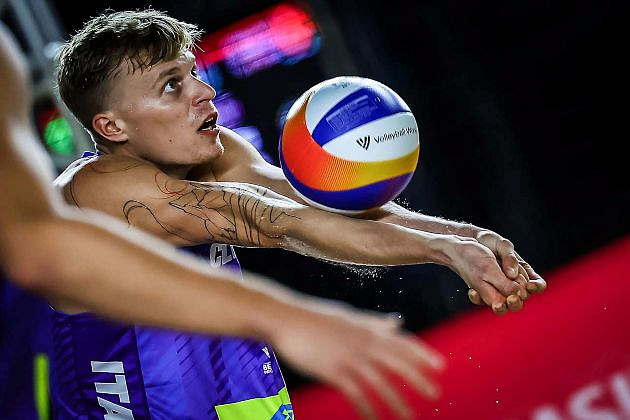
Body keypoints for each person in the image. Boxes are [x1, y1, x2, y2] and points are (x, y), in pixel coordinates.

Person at [51, 9, 546, 420]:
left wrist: (466, 237)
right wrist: (444, 251)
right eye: (171, 86)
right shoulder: (100, 194)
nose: (203, 92)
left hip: (243, 404)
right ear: (111, 127)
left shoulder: (213, 151)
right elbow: (279, 224)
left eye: (192, 73)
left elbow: (311, 204)